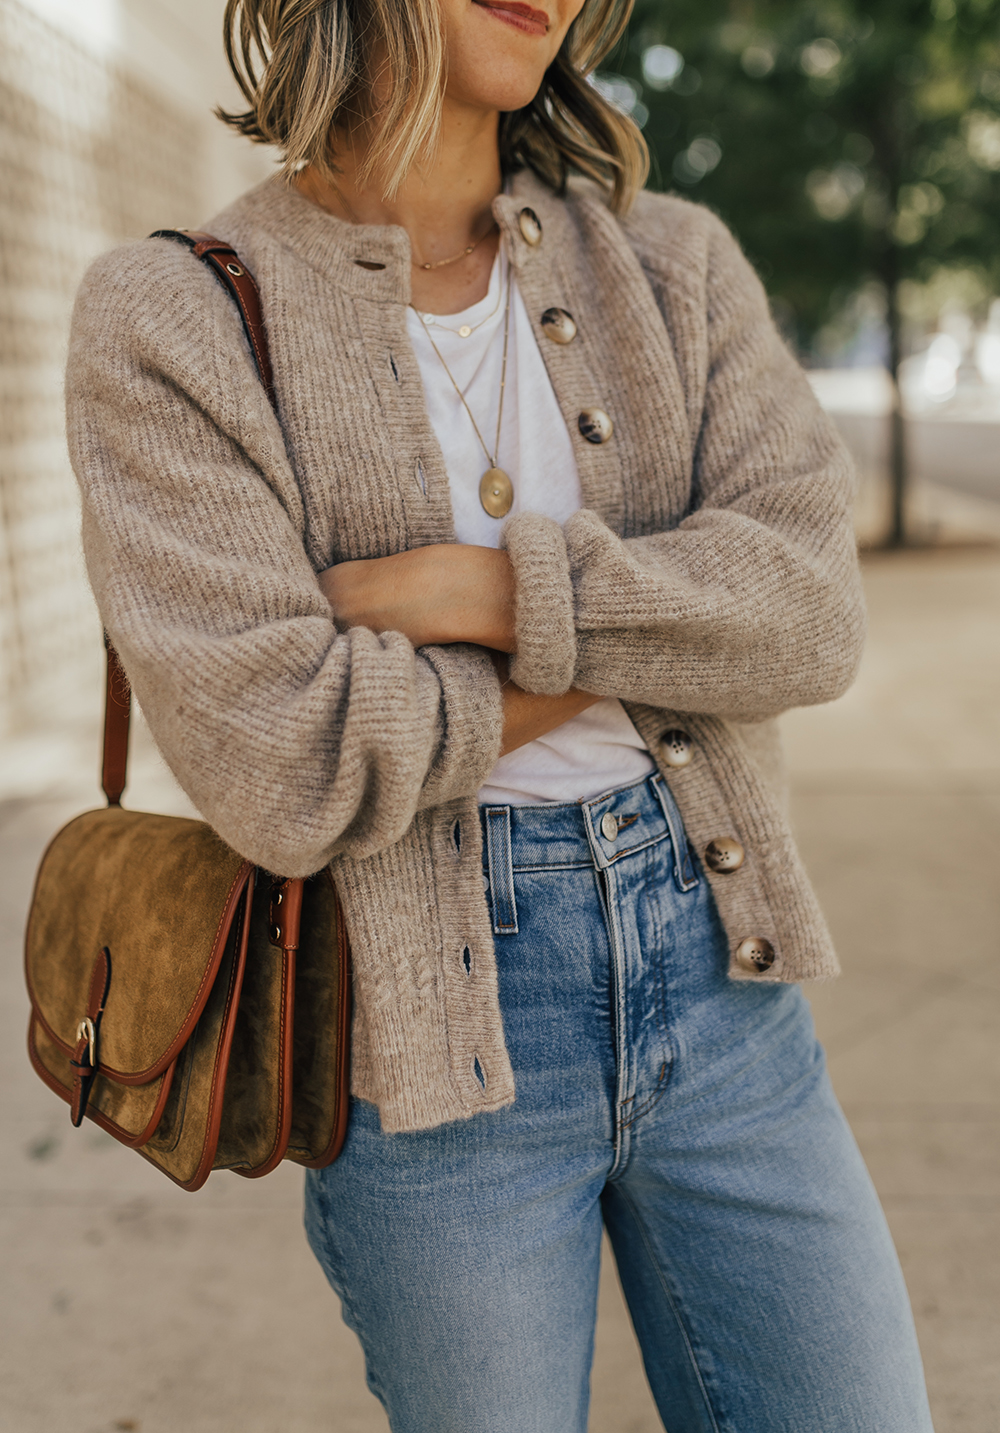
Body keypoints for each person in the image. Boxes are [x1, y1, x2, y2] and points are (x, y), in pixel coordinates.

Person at [65, 1, 935, 1428]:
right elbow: (291, 763)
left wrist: (484, 591)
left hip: (726, 986)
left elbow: (811, 614)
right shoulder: (174, 320)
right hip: (432, 1054)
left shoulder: (672, 263)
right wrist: (661, 625)